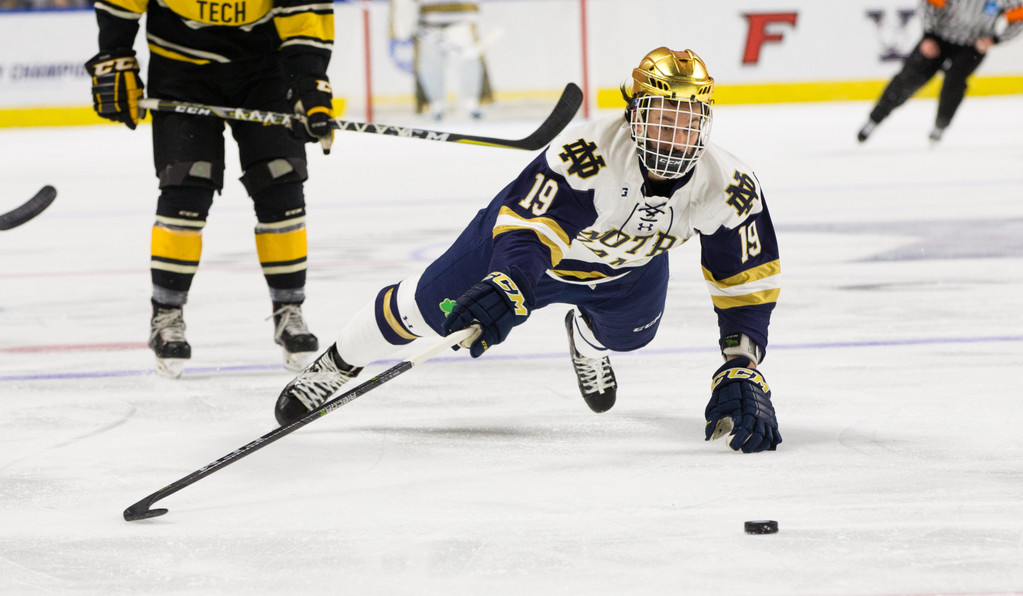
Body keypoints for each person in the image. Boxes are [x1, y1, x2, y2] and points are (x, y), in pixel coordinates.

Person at [275, 47, 783, 453]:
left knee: (631, 340)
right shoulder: (586, 154)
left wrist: (742, 363)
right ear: (633, 113)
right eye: (661, 118)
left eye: (688, 120)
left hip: (625, 272)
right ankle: (339, 362)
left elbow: (747, 280)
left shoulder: (729, 185)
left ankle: (587, 335)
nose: (674, 135)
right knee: (420, 312)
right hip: (525, 261)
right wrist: (509, 282)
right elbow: (530, 229)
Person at [85, 0, 336, 377]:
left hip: (265, 70)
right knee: (187, 186)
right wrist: (115, 54)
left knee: (281, 184)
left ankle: (289, 311)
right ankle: (166, 314)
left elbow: (304, 15)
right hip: (181, 69)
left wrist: (310, 87)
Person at [858, 0, 1023, 144]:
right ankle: (874, 119)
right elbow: (928, 4)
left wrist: (995, 40)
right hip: (939, 38)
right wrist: (928, 35)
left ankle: (941, 123)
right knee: (908, 78)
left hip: (972, 45)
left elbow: (1020, 15)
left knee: (955, 81)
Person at [390, 0, 494, 120]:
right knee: (430, 67)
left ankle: (472, 102)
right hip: (427, 24)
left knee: (468, 63)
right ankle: (435, 104)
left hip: (462, 19)